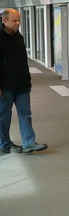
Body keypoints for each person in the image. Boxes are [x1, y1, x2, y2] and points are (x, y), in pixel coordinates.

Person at [0, 9, 48, 154]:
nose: (18, 23)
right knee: (4, 117)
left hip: (21, 84)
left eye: (19, 20)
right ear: (4, 21)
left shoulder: (18, 37)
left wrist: (27, 80)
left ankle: (29, 142)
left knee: (25, 113)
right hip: (4, 86)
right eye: (14, 20)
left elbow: (23, 61)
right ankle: (5, 144)